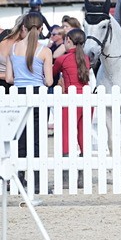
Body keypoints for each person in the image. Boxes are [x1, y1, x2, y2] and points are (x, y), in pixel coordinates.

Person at [5, 13, 54, 194]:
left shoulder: (13, 48)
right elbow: (49, 81)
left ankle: (17, 179)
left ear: (23, 28)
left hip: (18, 96)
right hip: (37, 95)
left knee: (19, 139)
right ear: (41, 29)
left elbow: (9, 78)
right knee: (38, 139)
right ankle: (37, 182)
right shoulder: (45, 51)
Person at [53, 28, 91, 158]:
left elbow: (51, 75)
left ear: (68, 40)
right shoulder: (86, 58)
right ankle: (83, 166)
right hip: (87, 100)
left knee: (66, 133)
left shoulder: (62, 59)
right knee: (83, 134)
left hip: (70, 100)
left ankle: (66, 166)